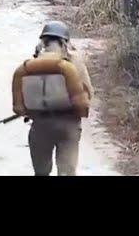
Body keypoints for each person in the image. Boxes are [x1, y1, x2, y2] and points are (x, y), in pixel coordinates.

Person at [28, 21, 93, 176]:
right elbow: (88, 92)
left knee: (41, 172)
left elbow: (27, 98)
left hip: (41, 126)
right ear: (65, 41)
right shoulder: (75, 61)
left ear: (44, 41)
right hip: (69, 126)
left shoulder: (35, 62)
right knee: (67, 172)